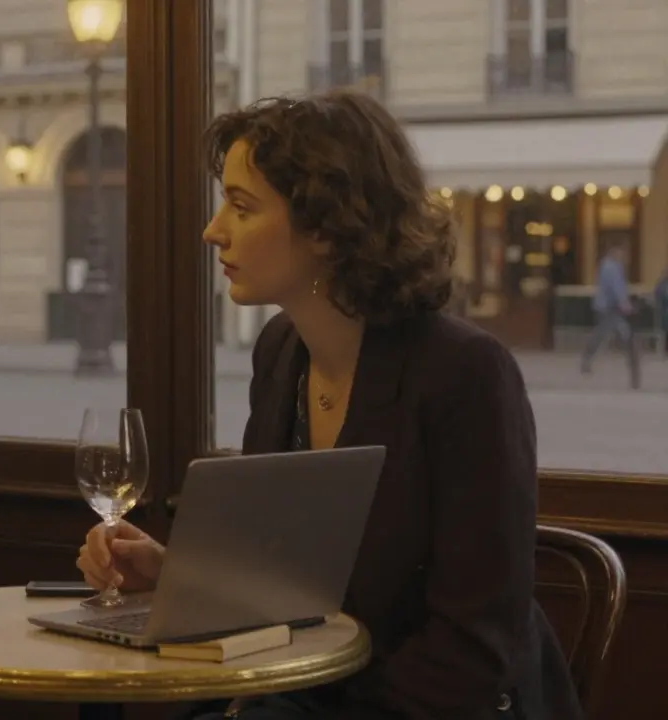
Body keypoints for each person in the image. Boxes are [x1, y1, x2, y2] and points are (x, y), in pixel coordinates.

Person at [77, 92, 582, 720]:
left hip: (430, 704)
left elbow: (474, 647)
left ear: (326, 228)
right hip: (310, 689)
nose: (213, 230)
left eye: (241, 205)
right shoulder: (281, 352)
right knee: (103, 702)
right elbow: (286, 575)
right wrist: (179, 577)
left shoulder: (465, 374)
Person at [580, 239, 640, 388]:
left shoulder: (613, 266)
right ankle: (634, 373)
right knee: (622, 337)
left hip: (610, 309)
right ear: (615, 251)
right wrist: (625, 304)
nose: (624, 255)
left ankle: (586, 361)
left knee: (602, 335)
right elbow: (616, 287)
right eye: (622, 252)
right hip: (610, 309)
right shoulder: (610, 267)